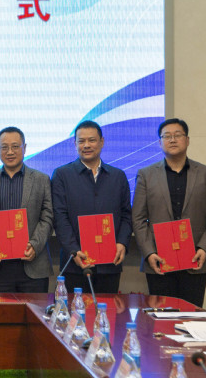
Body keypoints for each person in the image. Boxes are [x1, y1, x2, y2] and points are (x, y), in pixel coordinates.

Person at [131, 118, 206, 307]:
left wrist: (204, 248)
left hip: (194, 259)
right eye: (167, 136)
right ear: (160, 142)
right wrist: (149, 253)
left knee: (192, 316)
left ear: (187, 140)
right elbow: (138, 218)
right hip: (159, 260)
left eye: (177, 135)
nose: (172, 140)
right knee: (162, 317)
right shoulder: (146, 175)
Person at [51, 120, 132, 294]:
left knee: (107, 310)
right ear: (75, 144)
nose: (86, 145)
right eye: (81, 141)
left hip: (110, 263)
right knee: (76, 310)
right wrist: (73, 250)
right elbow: (59, 217)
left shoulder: (118, 176)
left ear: (102, 142)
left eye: (92, 140)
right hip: (75, 264)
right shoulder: (62, 175)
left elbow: (127, 215)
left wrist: (122, 243)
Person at [0, 127, 53, 293]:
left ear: (24, 147)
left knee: (35, 310)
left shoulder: (41, 179)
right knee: (1, 310)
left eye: (15, 146)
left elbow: (47, 217)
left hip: (33, 263)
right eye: (4, 147)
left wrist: (35, 245)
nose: (10, 152)